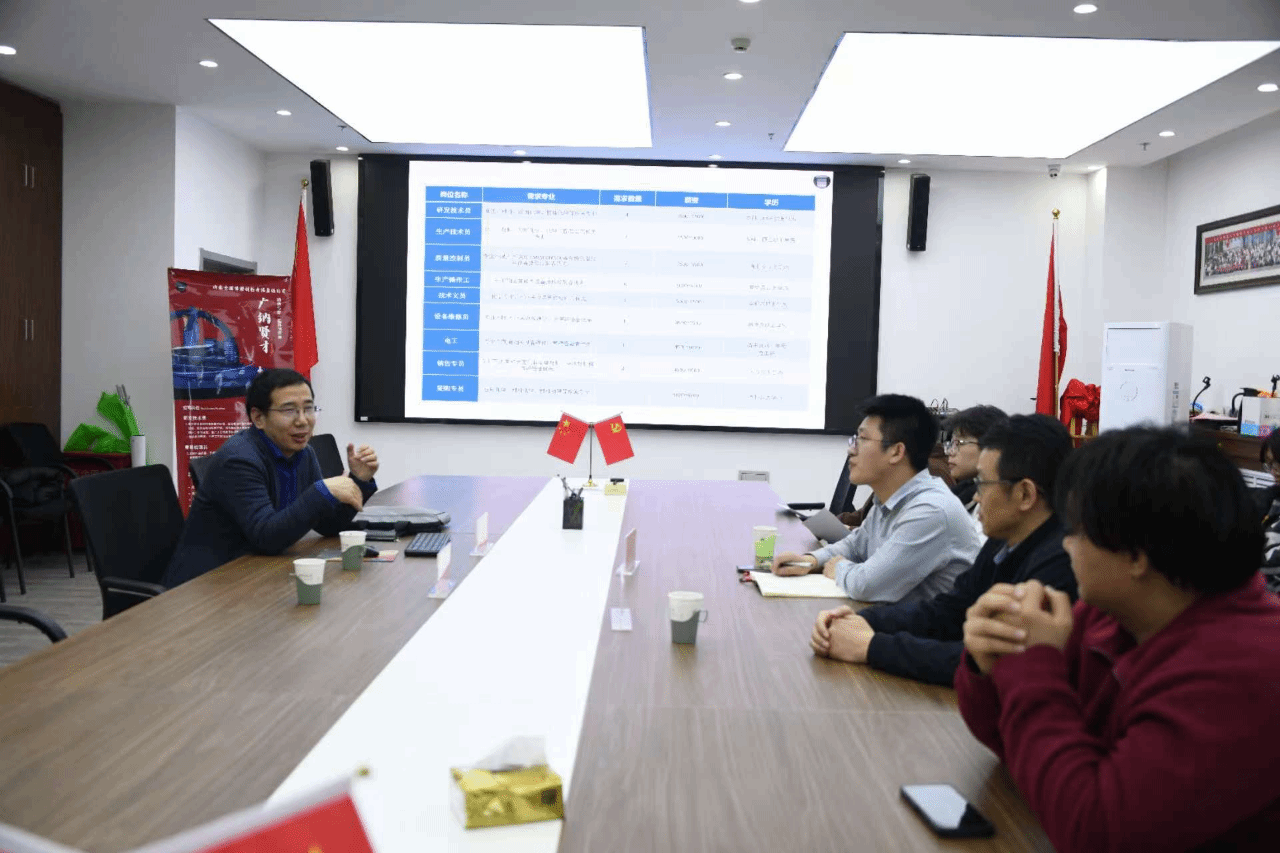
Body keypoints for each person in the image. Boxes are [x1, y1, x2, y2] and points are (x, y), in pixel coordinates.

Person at [956, 427, 1280, 852]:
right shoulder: (1113, 612)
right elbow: (1019, 747)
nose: (1066, 544)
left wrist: (1031, 666)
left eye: (1077, 530)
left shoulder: (1247, 668)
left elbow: (1096, 832)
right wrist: (987, 664)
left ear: (1136, 556)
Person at [809, 414, 1076, 685]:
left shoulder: (1060, 565)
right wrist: (862, 620)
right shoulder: (1005, 541)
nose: (976, 496)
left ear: (1025, 494)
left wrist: (871, 646)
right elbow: (947, 612)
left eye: (982, 483)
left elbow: (987, 662)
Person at [163, 368, 379, 588]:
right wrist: (322, 491)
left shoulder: (304, 453)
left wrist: (359, 481)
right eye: (289, 410)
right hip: (205, 585)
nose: (303, 421)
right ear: (258, 418)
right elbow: (267, 537)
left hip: (256, 572)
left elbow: (327, 524)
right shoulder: (238, 460)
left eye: (308, 408)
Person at [772, 394, 980, 603]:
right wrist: (809, 561)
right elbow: (855, 545)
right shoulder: (889, 499)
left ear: (896, 452)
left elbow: (866, 585)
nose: (851, 449)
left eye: (862, 439)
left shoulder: (931, 510)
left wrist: (839, 567)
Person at [942, 405, 1008, 540]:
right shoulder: (962, 493)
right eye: (951, 443)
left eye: (959, 443)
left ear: (990, 445)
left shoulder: (999, 499)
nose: (950, 452)